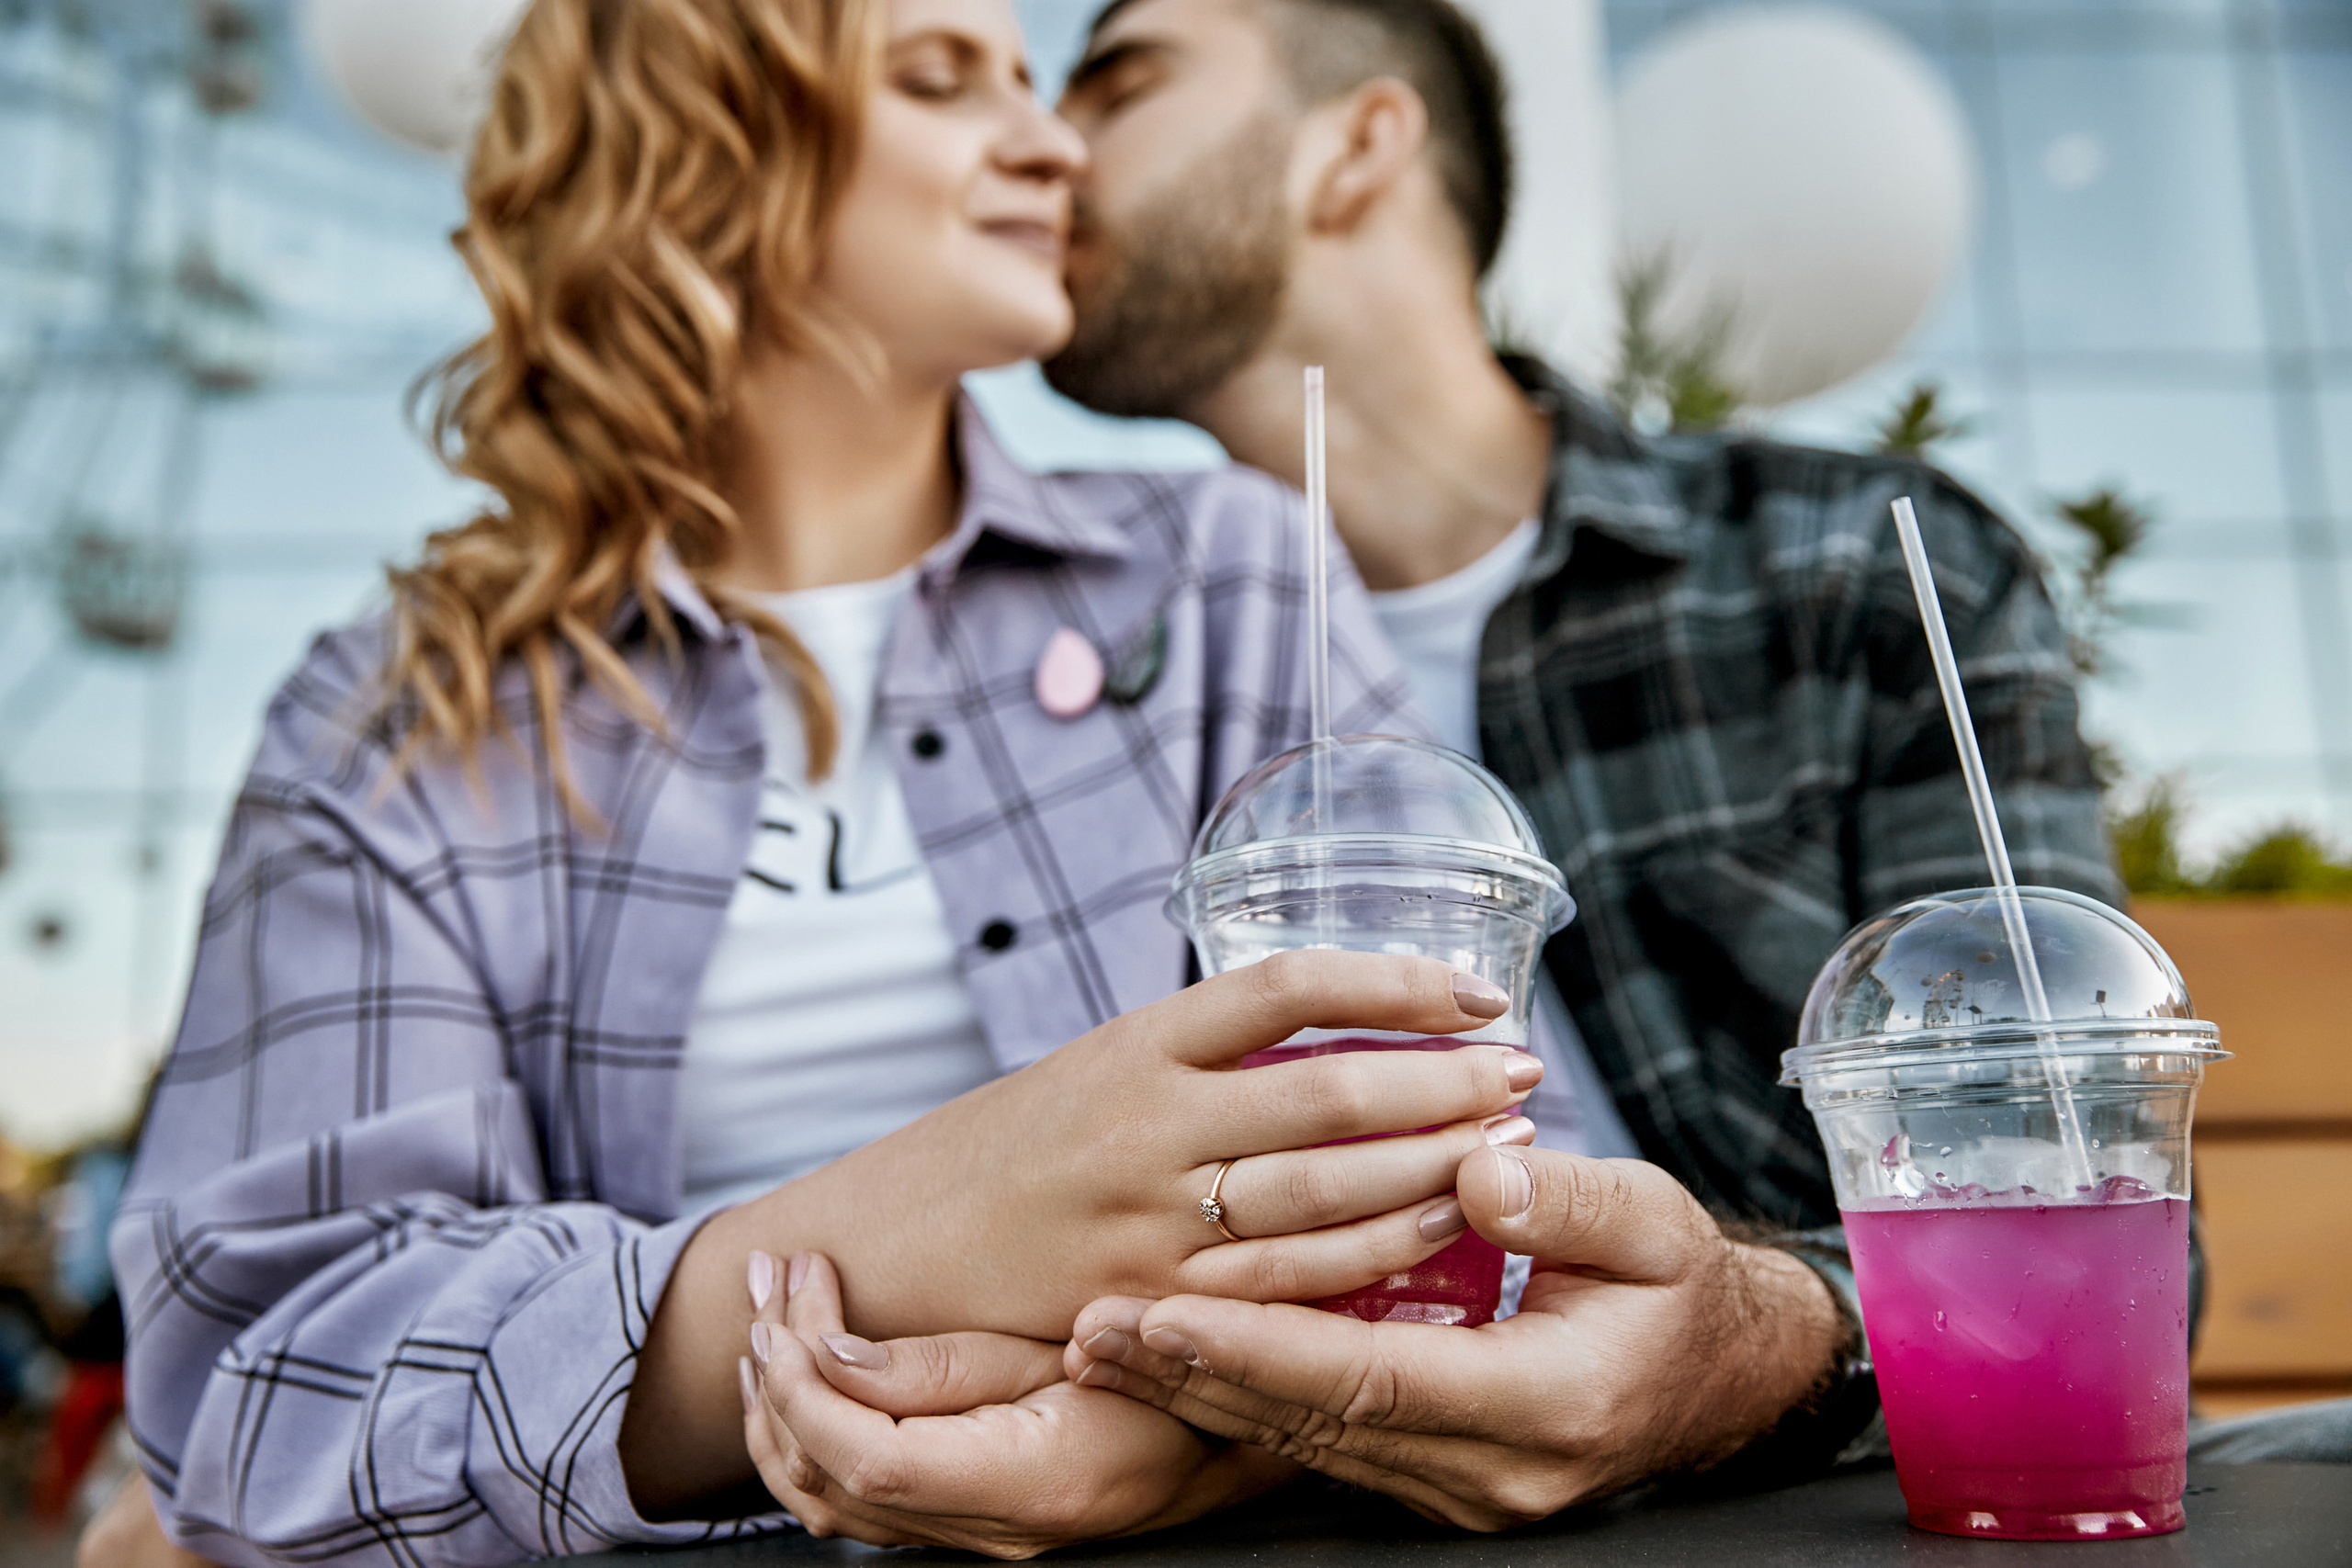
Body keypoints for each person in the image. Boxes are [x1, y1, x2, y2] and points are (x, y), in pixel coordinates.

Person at [98, 1, 1563, 1562]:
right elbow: (266, 1374)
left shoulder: (1231, 575)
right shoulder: (396, 715)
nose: (1053, 142)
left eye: (1039, 82)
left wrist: (1158, 1436)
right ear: (700, 157)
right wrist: (928, 1229)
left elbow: (1506, 1157)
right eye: (941, 80)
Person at [728, 0, 2122, 1536]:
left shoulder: (1839, 573)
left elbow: (2078, 1184)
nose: (1049, 146)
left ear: (1359, 146)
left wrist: (1747, 1340)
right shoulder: (1069, 650)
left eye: (1115, 86)